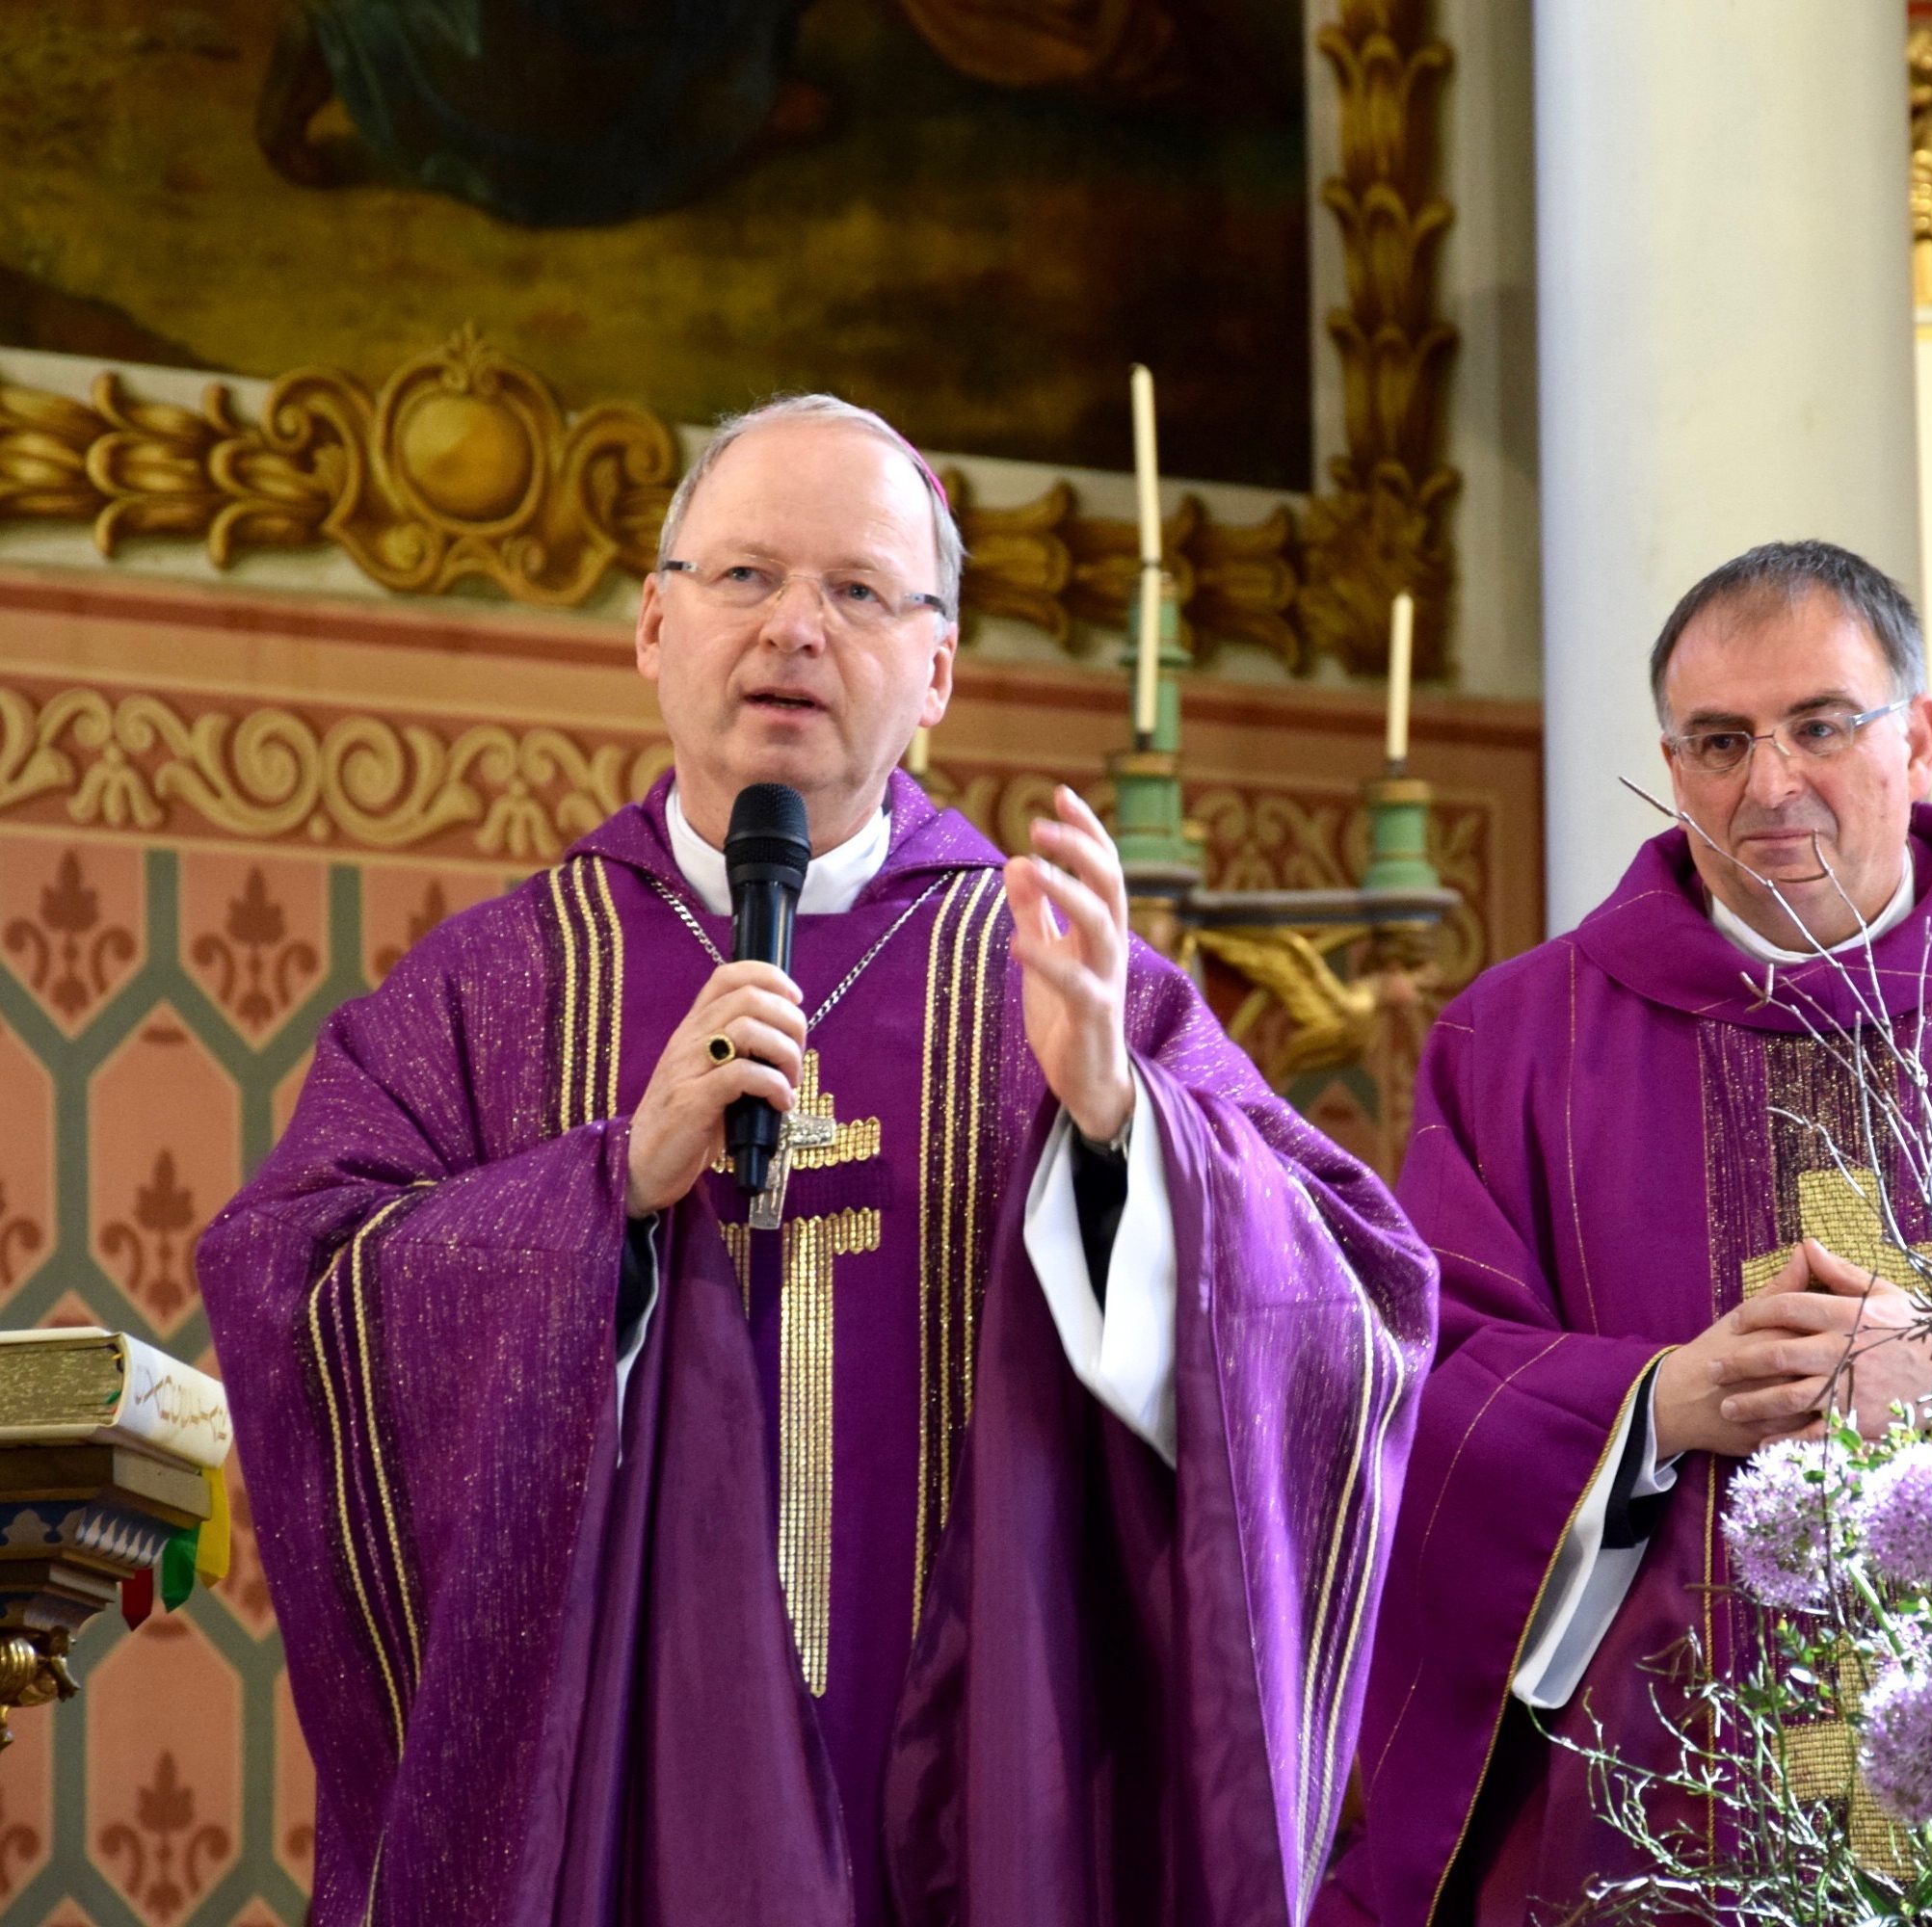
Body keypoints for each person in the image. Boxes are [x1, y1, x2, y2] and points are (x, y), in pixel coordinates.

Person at [198, 394, 1435, 1926]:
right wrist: (603, 1191)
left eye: (857, 591)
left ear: (935, 672)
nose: (794, 628)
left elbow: (1358, 1303)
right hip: (621, 1821)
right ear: (653, 626)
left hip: (991, 1802)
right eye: (743, 579)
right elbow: (291, 1277)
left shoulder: (1058, 976)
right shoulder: (503, 985)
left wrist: (1126, 1137)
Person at [1311, 541, 1932, 1926]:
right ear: (1670, 764)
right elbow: (1424, 1384)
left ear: (1917, 739)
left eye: (1819, 725)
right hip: (1647, 1794)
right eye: (1717, 741)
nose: (1768, 784)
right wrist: (1653, 1404)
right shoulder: (1513, 1042)